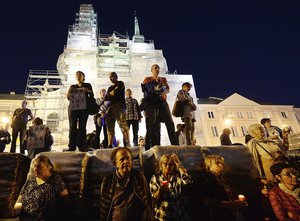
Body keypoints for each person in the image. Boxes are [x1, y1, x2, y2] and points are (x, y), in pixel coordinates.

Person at [99, 147, 153, 221]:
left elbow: (147, 201)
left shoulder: (138, 176)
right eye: (122, 159)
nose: (126, 162)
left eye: (128, 158)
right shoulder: (108, 180)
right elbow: (104, 209)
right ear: (115, 164)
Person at [14, 155, 68, 220]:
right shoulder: (31, 180)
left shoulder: (54, 179)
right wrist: (16, 209)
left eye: (39, 167)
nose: (35, 169)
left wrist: (44, 212)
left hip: (42, 215)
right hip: (24, 214)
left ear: (49, 167)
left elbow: (65, 198)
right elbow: (20, 197)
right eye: (35, 166)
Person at [198, 155, 248, 221]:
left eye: (221, 163)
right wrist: (228, 204)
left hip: (230, 212)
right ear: (209, 166)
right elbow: (205, 200)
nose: (220, 165)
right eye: (217, 163)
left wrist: (238, 202)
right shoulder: (204, 179)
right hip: (216, 214)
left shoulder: (224, 179)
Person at [142, 64, 178, 147]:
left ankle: (175, 144)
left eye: (158, 68)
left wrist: (162, 88)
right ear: (151, 70)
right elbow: (146, 89)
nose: (156, 69)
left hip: (162, 101)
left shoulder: (163, 79)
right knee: (155, 125)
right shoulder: (147, 79)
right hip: (152, 103)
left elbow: (167, 89)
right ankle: (156, 145)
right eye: (155, 68)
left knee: (169, 122)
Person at [149, 153, 192, 221]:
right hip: (163, 216)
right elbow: (151, 199)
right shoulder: (155, 178)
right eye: (165, 163)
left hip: (179, 214)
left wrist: (179, 165)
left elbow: (188, 182)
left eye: (171, 164)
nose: (168, 166)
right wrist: (159, 192)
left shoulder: (177, 176)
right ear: (161, 165)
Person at [67, 71, 94, 152]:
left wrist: (88, 91)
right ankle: (72, 146)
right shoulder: (72, 86)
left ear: (83, 77)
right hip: (73, 108)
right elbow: (68, 97)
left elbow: (92, 95)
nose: (78, 76)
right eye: (77, 75)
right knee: (72, 127)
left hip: (83, 109)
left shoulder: (87, 85)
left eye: (80, 75)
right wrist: (71, 91)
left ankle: (82, 146)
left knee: (82, 127)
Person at [104, 72, 130, 148]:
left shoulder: (120, 83)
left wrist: (110, 94)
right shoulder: (109, 88)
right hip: (111, 107)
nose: (110, 78)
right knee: (110, 125)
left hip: (119, 106)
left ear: (116, 76)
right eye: (109, 77)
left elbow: (116, 92)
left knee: (123, 124)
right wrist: (111, 94)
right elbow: (106, 97)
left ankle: (127, 142)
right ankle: (109, 144)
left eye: (112, 76)